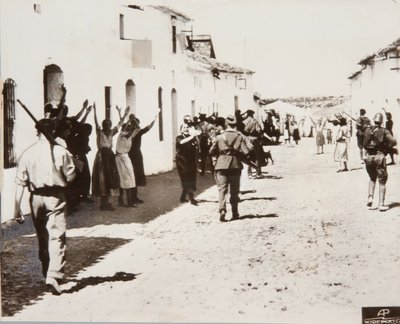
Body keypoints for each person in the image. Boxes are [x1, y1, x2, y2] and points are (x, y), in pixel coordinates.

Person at [14, 118, 76, 295]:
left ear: (37, 132)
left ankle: (46, 270)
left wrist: (16, 209)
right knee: (56, 235)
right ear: (53, 132)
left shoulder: (28, 153)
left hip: (35, 199)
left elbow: (20, 183)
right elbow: (71, 176)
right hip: (55, 196)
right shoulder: (60, 151)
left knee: (43, 235)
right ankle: (54, 275)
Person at [209, 115, 250, 222]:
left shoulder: (219, 137)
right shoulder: (239, 136)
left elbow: (211, 151)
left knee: (222, 189)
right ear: (235, 125)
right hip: (235, 166)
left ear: (226, 124)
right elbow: (246, 152)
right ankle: (235, 213)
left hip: (221, 165)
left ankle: (222, 210)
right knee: (234, 191)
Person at [92, 104, 129, 210]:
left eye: (109, 125)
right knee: (102, 178)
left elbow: (120, 124)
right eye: (106, 125)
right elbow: (96, 123)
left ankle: (106, 202)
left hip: (109, 156)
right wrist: (94, 111)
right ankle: (104, 202)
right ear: (104, 126)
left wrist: (125, 114)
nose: (107, 127)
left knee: (110, 178)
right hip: (101, 157)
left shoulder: (111, 133)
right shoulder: (100, 132)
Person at [363, 112, 397, 211]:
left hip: (369, 156)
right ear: (381, 121)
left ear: (374, 120)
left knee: (372, 178)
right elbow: (393, 141)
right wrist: (387, 147)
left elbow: (364, 143)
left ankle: (370, 197)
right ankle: (381, 204)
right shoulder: (384, 131)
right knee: (382, 181)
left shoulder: (368, 130)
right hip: (379, 156)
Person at [127, 112, 157, 204]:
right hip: (128, 155)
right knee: (130, 176)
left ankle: (134, 197)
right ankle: (130, 197)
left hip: (135, 155)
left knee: (135, 176)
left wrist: (154, 119)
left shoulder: (138, 132)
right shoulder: (128, 132)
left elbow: (149, 127)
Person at [176, 123, 200, 205]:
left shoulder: (191, 137)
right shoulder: (179, 137)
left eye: (187, 127)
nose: (186, 129)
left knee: (192, 179)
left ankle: (183, 197)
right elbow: (182, 142)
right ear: (181, 130)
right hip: (182, 163)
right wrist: (192, 136)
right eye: (184, 128)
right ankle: (191, 198)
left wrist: (195, 135)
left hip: (191, 162)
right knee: (185, 179)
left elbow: (198, 144)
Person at [242, 109, 264, 178]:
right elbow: (259, 130)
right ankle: (258, 173)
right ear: (252, 114)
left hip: (247, 139)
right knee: (257, 156)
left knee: (249, 156)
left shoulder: (244, 122)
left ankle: (249, 173)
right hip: (254, 140)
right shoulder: (254, 121)